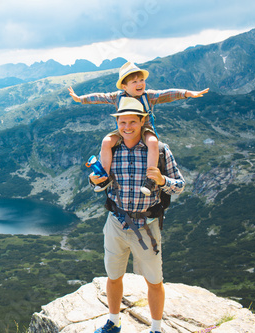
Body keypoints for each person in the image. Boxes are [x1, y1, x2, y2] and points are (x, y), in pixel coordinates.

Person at [89, 97, 185, 333]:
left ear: (142, 121)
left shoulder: (160, 150)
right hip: (116, 222)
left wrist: (162, 180)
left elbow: (179, 185)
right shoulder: (111, 148)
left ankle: (156, 328)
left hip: (147, 225)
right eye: (122, 122)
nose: (127, 127)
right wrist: (94, 181)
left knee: (154, 280)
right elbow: (102, 185)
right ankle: (113, 321)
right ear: (117, 123)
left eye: (132, 121)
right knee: (113, 276)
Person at [68, 61, 207, 195]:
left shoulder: (149, 96)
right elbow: (100, 97)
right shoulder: (117, 97)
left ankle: (150, 180)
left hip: (145, 128)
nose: (140, 84)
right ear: (124, 86)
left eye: (141, 80)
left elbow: (166, 94)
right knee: (106, 141)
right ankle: (104, 177)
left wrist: (187, 93)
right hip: (125, 129)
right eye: (134, 81)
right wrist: (80, 99)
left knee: (152, 142)